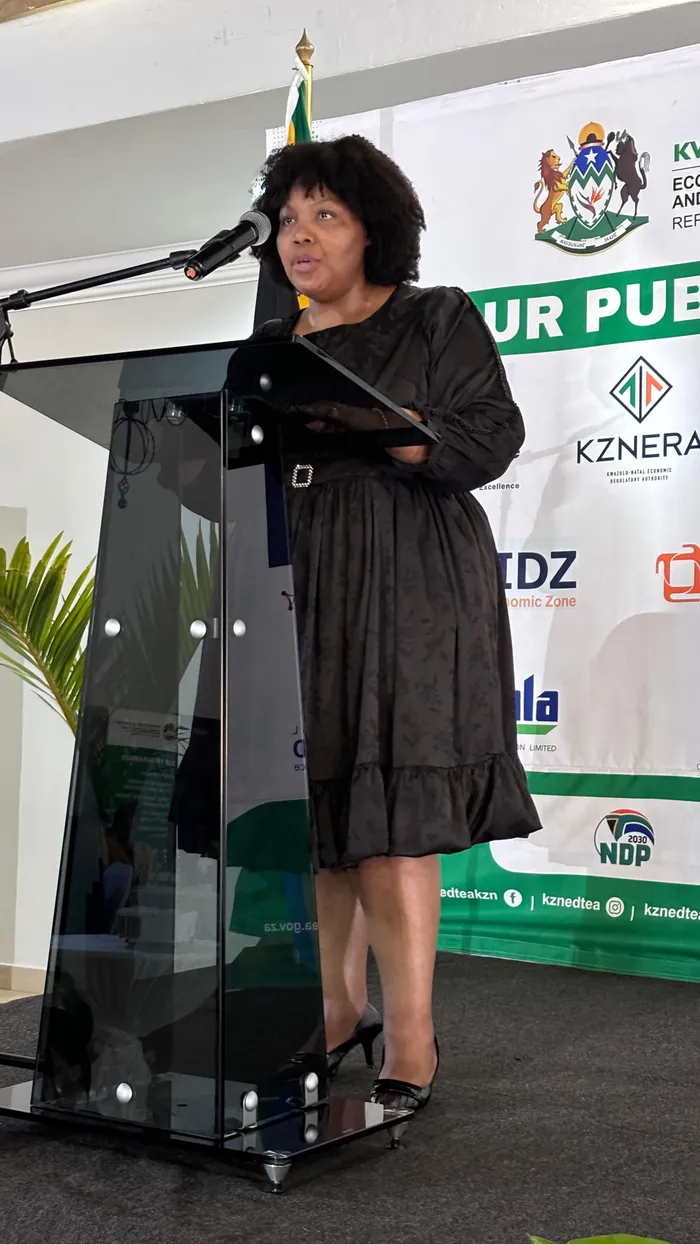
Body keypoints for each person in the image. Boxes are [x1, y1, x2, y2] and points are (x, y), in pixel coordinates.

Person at [250, 134, 541, 1112]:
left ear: (373, 229)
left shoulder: (434, 315)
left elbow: (490, 433)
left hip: (407, 568)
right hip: (296, 569)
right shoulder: (274, 348)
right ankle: (336, 1012)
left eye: (324, 215)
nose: (299, 236)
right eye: (288, 219)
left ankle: (411, 1035)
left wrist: (389, 430)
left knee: (390, 815)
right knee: (320, 806)